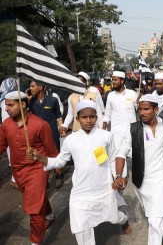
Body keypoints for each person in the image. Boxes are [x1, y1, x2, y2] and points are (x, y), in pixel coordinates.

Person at [27, 100, 132, 245]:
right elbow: (59, 162)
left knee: (113, 216)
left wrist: (118, 177)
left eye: (92, 117)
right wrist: (39, 157)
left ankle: (124, 221)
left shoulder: (106, 136)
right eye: (84, 117)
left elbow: (114, 159)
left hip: (104, 189)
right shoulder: (71, 140)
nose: (88, 121)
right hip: (80, 192)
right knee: (81, 228)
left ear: (96, 117)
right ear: (77, 119)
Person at [0, 91, 58, 245]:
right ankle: (50, 215)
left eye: (10, 105)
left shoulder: (40, 124)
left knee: (34, 209)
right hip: (18, 172)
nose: (6, 108)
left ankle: (35, 241)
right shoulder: (6, 124)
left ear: (23, 104)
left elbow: (51, 149)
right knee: (37, 199)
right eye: (6, 105)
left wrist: (57, 167)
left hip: (37, 170)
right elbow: (1, 145)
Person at [117, 94, 163, 245]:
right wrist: (118, 175)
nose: (141, 112)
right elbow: (121, 152)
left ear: (156, 109)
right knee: (154, 215)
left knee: (155, 220)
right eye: (140, 109)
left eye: (146, 109)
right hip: (142, 181)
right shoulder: (133, 129)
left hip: (162, 178)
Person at [28, 80, 65, 189]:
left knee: (56, 155)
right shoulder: (31, 102)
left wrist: (62, 128)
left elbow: (58, 116)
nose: (30, 88)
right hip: (37, 136)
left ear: (40, 87)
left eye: (32, 86)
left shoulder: (52, 100)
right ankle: (44, 179)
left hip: (52, 134)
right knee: (40, 157)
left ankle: (59, 176)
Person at [103, 70, 138, 178]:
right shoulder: (110, 96)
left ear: (122, 81)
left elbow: (141, 111)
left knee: (135, 155)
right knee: (117, 154)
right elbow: (107, 114)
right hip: (116, 132)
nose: (113, 82)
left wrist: (139, 101)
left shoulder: (132, 94)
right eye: (113, 80)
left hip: (131, 130)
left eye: (115, 80)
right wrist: (103, 128)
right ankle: (120, 178)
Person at [0, 77, 18, 189]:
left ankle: (16, 179)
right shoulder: (6, 101)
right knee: (13, 155)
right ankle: (15, 179)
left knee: (14, 155)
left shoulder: (4, 100)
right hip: (9, 133)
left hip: (11, 132)